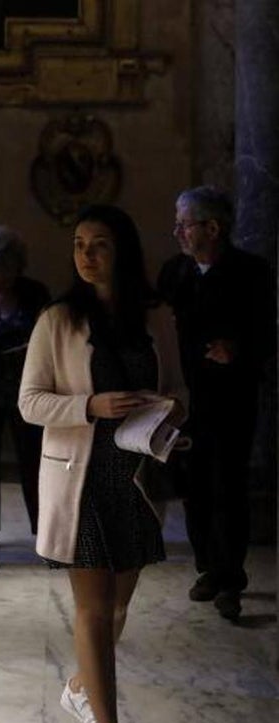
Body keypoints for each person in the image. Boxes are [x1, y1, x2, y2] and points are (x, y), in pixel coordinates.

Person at [18, 204, 187, 723]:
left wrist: (171, 410)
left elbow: (182, 387)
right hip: (80, 478)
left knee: (118, 606)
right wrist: (89, 405)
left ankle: (79, 687)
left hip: (137, 474)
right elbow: (29, 403)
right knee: (92, 608)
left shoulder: (156, 313)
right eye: (78, 245)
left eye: (99, 245)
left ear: (123, 251)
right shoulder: (58, 318)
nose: (86, 256)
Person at [156, 186, 276, 621]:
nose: (177, 232)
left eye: (184, 224)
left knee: (228, 485)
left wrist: (237, 349)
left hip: (232, 398)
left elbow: (266, 331)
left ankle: (231, 578)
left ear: (212, 228)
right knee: (194, 486)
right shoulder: (174, 273)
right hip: (186, 399)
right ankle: (206, 567)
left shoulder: (252, 272)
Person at [0, 226, 50, 547]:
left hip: (27, 386)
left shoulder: (35, 293)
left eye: (0, 270)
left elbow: (48, 335)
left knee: (34, 458)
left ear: (15, 267)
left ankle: (44, 527)